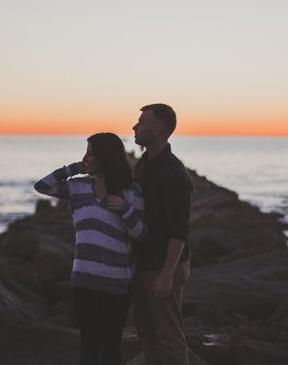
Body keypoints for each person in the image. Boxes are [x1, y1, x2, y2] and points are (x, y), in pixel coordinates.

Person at [34, 135, 145, 365]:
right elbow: (42, 186)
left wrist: (125, 209)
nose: (86, 158)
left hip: (116, 283)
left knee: (111, 348)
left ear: (106, 157)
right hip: (83, 280)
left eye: (91, 153)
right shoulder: (78, 187)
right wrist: (72, 168)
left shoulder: (130, 191)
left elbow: (141, 233)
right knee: (89, 346)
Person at [132, 102, 193, 365]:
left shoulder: (174, 174)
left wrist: (167, 274)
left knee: (169, 337)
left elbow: (180, 229)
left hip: (163, 266)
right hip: (142, 263)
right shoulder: (143, 165)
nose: (134, 126)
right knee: (147, 337)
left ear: (157, 129)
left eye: (141, 122)